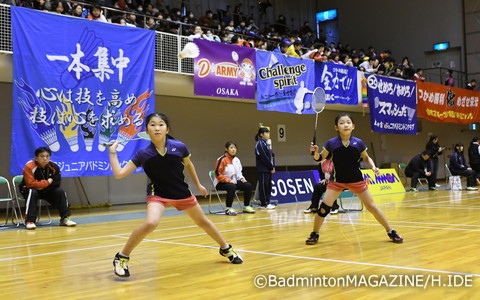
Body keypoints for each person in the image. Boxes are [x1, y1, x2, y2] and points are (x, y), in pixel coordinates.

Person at [108, 112, 243, 277]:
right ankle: (122, 257)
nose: (157, 128)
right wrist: (112, 153)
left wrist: (198, 184)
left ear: (167, 129)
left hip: (181, 192)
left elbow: (189, 164)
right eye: (152, 125)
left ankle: (226, 249)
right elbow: (119, 174)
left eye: (161, 124)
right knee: (151, 223)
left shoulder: (179, 147)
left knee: (204, 222)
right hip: (158, 193)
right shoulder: (143, 154)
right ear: (147, 130)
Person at [306, 113, 403, 245]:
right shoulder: (331, 143)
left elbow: (366, 158)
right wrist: (315, 152)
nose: (345, 125)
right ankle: (314, 233)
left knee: (372, 207)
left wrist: (373, 167)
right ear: (336, 127)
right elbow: (319, 158)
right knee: (323, 208)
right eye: (341, 123)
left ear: (353, 126)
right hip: (337, 181)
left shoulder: (358, 143)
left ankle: (391, 231)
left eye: (348, 122)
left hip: (356, 180)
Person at [19, 146, 76, 230]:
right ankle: (30, 221)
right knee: (32, 192)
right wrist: (47, 182)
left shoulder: (54, 167)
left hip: (47, 190)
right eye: (42, 156)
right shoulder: (29, 166)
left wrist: (41, 186)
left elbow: (56, 183)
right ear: (36, 157)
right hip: (29, 190)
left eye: (47, 156)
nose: (45, 158)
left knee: (60, 192)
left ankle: (65, 218)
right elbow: (31, 184)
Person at [214, 141, 255, 215]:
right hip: (220, 183)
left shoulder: (237, 160)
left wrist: (242, 178)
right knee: (231, 186)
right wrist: (228, 180)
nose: (233, 149)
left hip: (234, 182)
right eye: (231, 148)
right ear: (226, 149)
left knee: (248, 185)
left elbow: (239, 173)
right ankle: (228, 208)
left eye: (235, 148)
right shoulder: (222, 159)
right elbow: (217, 173)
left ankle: (246, 206)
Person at [255, 125, 276, 209]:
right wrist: (271, 167)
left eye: (268, 132)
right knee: (263, 186)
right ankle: (264, 203)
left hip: (269, 169)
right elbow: (264, 157)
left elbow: (272, 155)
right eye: (266, 132)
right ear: (261, 134)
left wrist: (273, 167)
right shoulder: (260, 144)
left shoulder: (267, 143)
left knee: (268, 186)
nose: (268, 134)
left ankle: (267, 201)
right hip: (263, 169)